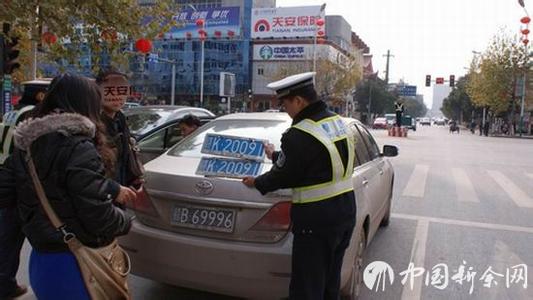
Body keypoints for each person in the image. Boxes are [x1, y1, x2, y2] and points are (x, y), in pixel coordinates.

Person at [0, 73, 136, 299]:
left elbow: (6, 192)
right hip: (77, 264)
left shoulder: (27, 145)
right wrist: (126, 221)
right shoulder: (78, 146)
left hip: (43, 260)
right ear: (86, 104)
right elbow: (98, 215)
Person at [242, 72, 356, 299]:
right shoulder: (336, 122)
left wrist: (257, 182)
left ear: (299, 101)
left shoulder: (298, 133)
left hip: (316, 222)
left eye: (284, 103)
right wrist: (276, 155)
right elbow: (316, 159)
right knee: (329, 283)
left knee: (306, 288)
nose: (284, 109)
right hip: (345, 213)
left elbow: (284, 176)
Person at [0, 83, 48, 299]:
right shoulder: (32, 115)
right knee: (12, 237)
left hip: (5, 176)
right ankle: (5, 284)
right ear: (40, 95)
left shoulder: (12, 112)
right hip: (17, 182)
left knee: (6, 235)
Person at [96, 69, 142, 188]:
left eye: (122, 90)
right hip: (102, 193)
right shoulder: (92, 122)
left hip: (121, 191)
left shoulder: (121, 119)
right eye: (111, 90)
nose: (117, 95)